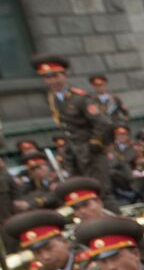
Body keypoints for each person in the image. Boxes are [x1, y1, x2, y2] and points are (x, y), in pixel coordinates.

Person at [33, 54, 113, 199]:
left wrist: (95, 143)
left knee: (100, 193)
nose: (52, 81)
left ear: (64, 75)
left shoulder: (79, 97)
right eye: (47, 77)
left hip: (90, 152)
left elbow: (103, 123)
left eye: (55, 76)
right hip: (73, 153)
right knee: (82, 193)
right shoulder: (52, 98)